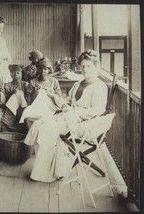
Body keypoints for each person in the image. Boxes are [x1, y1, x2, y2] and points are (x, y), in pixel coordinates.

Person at [23, 49, 108, 183]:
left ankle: (46, 173)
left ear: (96, 66)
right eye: (83, 66)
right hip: (69, 116)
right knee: (40, 125)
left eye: (89, 66)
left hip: (84, 123)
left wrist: (77, 112)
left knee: (48, 129)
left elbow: (98, 110)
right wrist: (55, 100)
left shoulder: (99, 86)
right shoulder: (78, 84)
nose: (85, 69)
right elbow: (67, 100)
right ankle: (54, 170)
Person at [1, 64, 29, 133]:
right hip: (10, 109)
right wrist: (12, 94)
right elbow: (4, 100)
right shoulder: (7, 85)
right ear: (10, 74)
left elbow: (28, 99)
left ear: (21, 74)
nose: (16, 74)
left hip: (23, 108)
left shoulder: (25, 85)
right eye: (13, 73)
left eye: (18, 73)